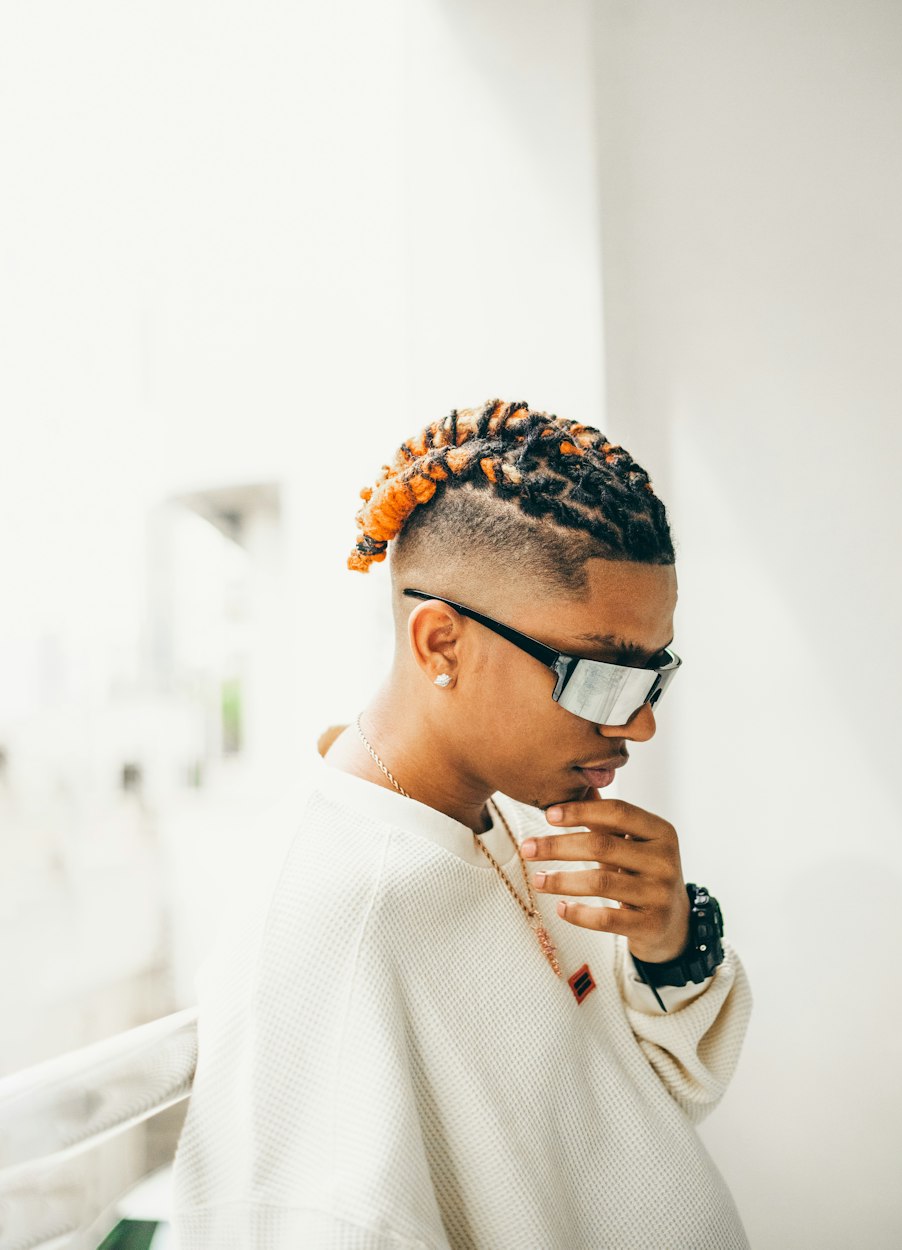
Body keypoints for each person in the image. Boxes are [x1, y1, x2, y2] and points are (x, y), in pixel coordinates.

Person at [171, 399, 753, 1249]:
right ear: (441, 643)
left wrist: (674, 946)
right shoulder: (332, 916)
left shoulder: (507, 819)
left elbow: (650, 1099)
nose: (639, 725)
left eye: (652, 677)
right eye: (601, 676)